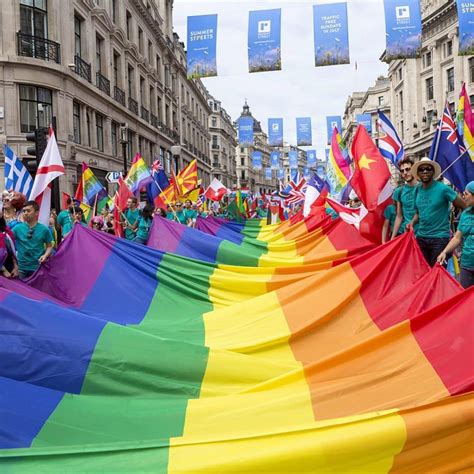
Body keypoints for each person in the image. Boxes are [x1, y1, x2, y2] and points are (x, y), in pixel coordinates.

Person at [408, 157, 466, 267]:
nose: (425, 171)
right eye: (422, 169)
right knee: (423, 272)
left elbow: (465, 207)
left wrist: (462, 229)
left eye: (428, 169)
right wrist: (412, 222)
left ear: (433, 171)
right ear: (418, 173)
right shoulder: (417, 190)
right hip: (421, 238)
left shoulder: (443, 189)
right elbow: (418, 213)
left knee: (437, 273)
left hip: (439, 239)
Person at [437, 181, 474, 288]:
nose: (463, 196)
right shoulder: (465, 214)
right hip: (467, 265)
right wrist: (444, 252)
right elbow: (457, 238)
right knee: (466, 299)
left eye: (466, 194)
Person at [12, 201, 54, 279]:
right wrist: (14, 264)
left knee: (36, 291)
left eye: (28, 210)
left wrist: (45, 255)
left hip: (37, 268)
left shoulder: (44, 229)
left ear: (36, 212)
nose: (25, 213)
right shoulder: (17, 228)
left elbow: (49, 246)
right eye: (24, 211)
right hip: (21, 269)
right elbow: (8, 244)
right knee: (22, 291)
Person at [391, 157, 418, 238]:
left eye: (408, 169)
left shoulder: (423, 188)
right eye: (402, 171)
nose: (405, 172)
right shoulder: (399, 191)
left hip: (424, 234)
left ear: (414, 169)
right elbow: (399, 216)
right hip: (408, 234)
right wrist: (392, 238)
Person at [0, 210, 18, 278]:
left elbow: (12, 250)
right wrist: (3, 269)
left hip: (10, 271)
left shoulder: (7, 231)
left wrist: (15, 266)